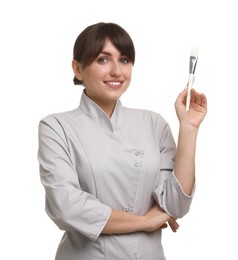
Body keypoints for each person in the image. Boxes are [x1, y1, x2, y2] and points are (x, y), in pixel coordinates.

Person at [38, 22, 207, 260]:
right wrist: (145, 221)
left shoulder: (153, 123)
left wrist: (188, 128)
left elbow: (176, 205)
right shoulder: (56, 127)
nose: (117, 71)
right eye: (103, 59)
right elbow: (66, 206)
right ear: (78, 69)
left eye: (125, 59)